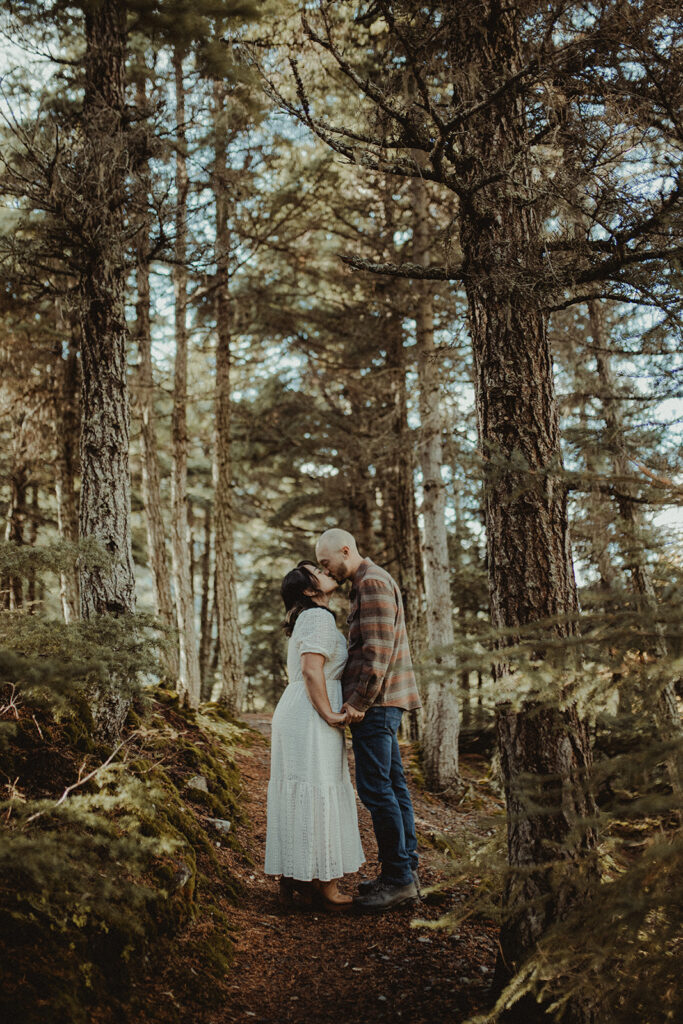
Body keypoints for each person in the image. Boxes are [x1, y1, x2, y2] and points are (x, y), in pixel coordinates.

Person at [315, 528, 422, 912]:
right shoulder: (367, 581)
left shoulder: (372, 582)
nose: (326, 570)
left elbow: (377, 652)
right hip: (383, 702)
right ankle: (404, 871)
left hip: (376, 704)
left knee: (377, 790)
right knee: (393, 786)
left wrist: (359, 701)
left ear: (346, 549)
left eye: (327, 562)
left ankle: (398, 880)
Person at [264, 561, 364, 910]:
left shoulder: (305, 618)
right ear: (309, 590)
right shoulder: (318, 617)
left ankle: (295, 879)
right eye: (316, 572)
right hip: (309, 714)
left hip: (295, 710)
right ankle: (326, 887)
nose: (326, 571)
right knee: (318, 786)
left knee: (301, 788)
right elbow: (311, 669)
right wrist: (328, 713)